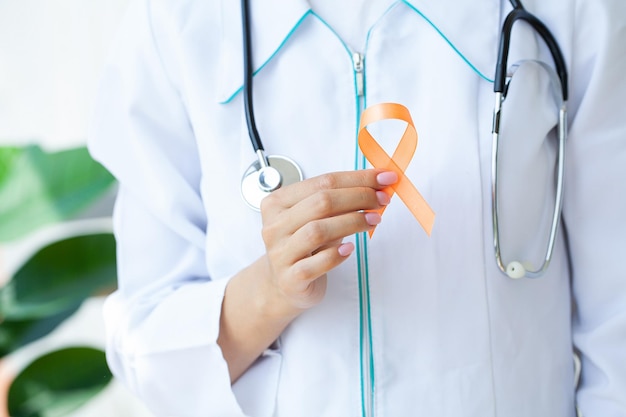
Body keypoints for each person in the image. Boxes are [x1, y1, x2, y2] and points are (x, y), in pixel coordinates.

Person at [88, 0, 626, 416]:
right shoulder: (177, 26)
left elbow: (617, 319)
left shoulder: (566, 13)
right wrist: (270, 291)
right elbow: (148, 346)